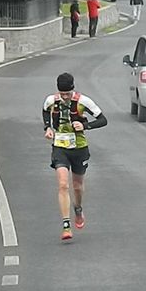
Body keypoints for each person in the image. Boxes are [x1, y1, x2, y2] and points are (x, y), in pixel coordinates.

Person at [42, 73, 107, 240]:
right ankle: (66, 225)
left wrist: (85, 125)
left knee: (77, 186)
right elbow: (45, 112)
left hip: (79, 147)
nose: (64, 97)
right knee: (63, 184)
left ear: (73, 89)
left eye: (67, 94)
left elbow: (103, 120)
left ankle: (78, 208)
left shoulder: (83, 101)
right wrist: (48, 128)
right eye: (62, 94)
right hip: (60, 147)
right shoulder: (51, 101)